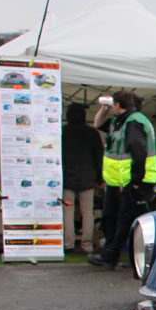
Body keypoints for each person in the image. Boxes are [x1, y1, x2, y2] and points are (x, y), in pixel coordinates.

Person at [88, 90, 156, 269]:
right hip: (118, 181)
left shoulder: (133, 123)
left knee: (126, 220)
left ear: (117, 105)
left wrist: (134, 180)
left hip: (132, 182)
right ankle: (123, 257)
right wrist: (103, 109)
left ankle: (112, 256)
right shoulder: (120, 122)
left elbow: (139, 152)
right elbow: (98, 124)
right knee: (115, 218)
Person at [61, 102, 103, 252]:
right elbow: (98, 158)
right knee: (87, 212)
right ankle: (87, 245)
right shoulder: (92, 133)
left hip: (67, 176)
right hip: (88, 176)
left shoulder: (62, 131)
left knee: (68, 211)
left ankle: (68, 244)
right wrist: (99, 179)